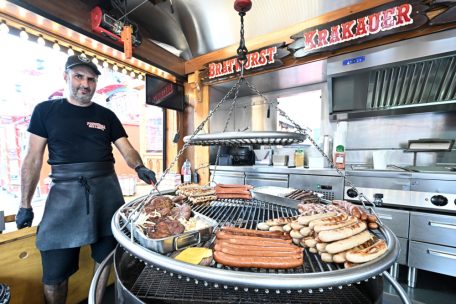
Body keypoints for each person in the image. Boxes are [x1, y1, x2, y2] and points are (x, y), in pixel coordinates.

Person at [15, 54, 157, 304]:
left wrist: (139, 167)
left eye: (91, 79)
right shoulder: (45, 111)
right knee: (54, 272)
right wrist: (25, 204)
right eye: (79, 76)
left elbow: (126, 148)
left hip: (106, 193)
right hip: (64, 195)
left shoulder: (106, 115)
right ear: (66, 77)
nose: (85, 84)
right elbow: (32, 159)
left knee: (105, 259)